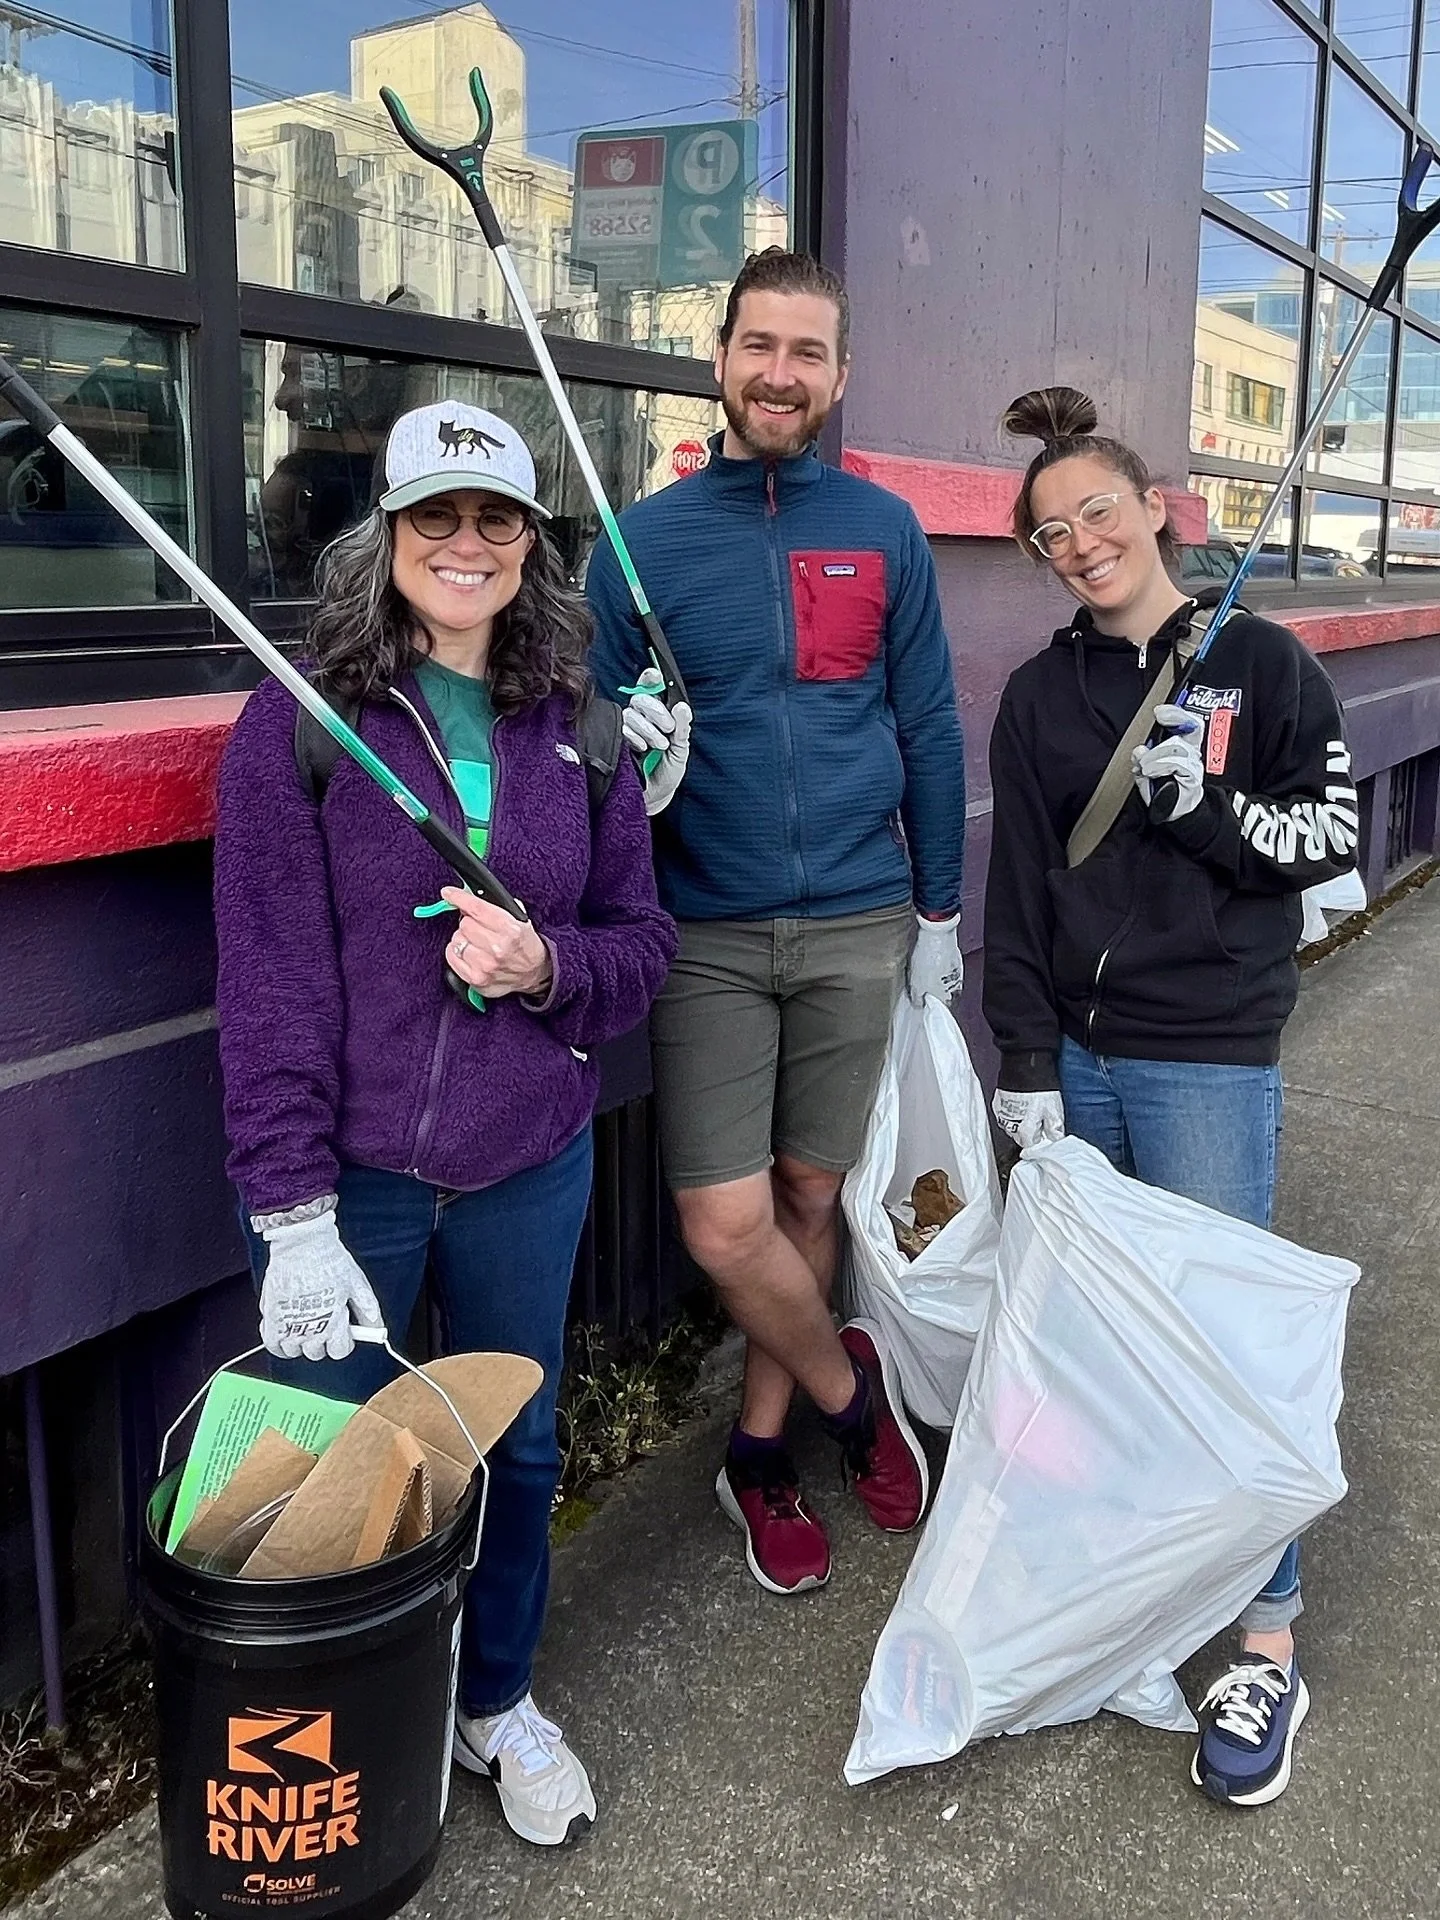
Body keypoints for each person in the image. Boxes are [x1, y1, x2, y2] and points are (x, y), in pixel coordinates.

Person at [213, 400, 677, 1849]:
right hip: (352, 1182)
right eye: (436, 519)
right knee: (342, 1466)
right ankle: (356, 1722)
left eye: (497, 521)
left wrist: (547, 966)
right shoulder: (299, 724)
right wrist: (291, 1214)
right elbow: (270, 985)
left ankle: (496, 1700)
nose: (466, 545)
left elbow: (639, 948)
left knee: (518, 1453)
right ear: (389, 537)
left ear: (533, 545)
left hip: (528, 1163)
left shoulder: (586, 730)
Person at [983, 385, 1360, 1807]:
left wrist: (1207, 812)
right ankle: (1138, 1604)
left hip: (1207, 1052)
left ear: (1157, 509)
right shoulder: (1037, 697)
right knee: (1102, 1351)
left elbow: (1320, 834)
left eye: (1098, 512)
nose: (1079, 543)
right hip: (1078, 1056)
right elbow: (1016, 890)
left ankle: (1266, 1634)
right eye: (1050, 533)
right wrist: (1024, 1064)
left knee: (1221, 1347)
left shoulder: (1264, 666)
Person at [586, 249, 968, 1597]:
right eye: (760, 345)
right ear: (722, 357)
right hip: (706, 930)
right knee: (723, 1220)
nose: (780, 374)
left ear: (841, 376)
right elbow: (569, 728)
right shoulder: (639, 543)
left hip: (865, 922)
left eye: (808, 353)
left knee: (812, 1192)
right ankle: (847, 1392)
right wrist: (608, 738)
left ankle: (758, 1450)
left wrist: (940, 907)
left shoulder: (886, 532)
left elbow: (924, 720)